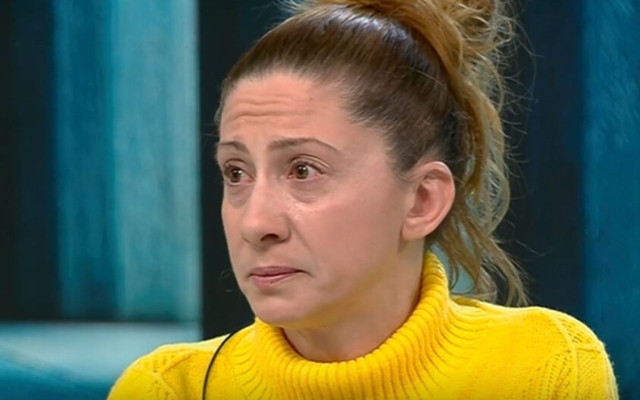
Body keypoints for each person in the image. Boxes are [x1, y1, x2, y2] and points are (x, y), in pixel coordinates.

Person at [108, 0, 618, 399]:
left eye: (303, 170)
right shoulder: (168, 388)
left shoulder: (543, 367)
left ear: (422, 201)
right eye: (236, 173)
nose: (255, 223)